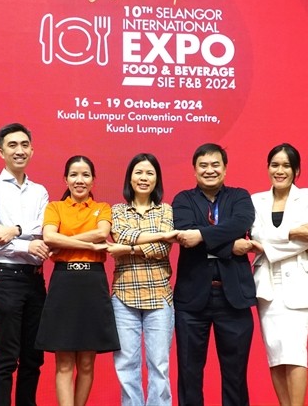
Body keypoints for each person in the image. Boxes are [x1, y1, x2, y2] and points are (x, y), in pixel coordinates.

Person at [173, 143, 256, 406]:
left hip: (234, 298)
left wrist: (201, 236)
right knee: (189, 373)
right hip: (191, 300)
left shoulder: (240, 196)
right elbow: (186, 234)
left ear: (225, 167)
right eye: (203, 165)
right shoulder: (183, 199)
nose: (210, 170)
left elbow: (241, 223)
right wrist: (231, 245)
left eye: (215, 164)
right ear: (195, 170)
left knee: (235, 375)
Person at [35, 155, 120, 406]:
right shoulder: (55, 207)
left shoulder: (103, 208)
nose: (79, 180)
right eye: (74, 175)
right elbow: (49, 237)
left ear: (93, 180)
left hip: (93, 284)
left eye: (85, 175)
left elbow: (102, 233)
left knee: (86, 362)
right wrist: (86, 242)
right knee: (63, 362)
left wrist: (63, 244)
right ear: (65, 179)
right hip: (64, 284)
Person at [0, 123, 50, 406]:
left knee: (34, 357)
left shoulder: (40, 191)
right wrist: (25, 243)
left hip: (34, 280)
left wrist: (15, 229)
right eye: (12, 146)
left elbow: (43, 229)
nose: (19, 151)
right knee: (7, 356)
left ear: (32, 149)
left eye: (24, 145)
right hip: (5, 278)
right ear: (1, 152)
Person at [249, 143, 308, 406]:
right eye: (275, 165)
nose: (279, 170)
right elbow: (256, 236)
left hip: (299, 281)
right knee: (275, 353)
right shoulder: (255, 200)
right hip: (267, 284)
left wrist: (284, 238)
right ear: (268, 167)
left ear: (296, 170)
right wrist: (290, 232)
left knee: (294, 352)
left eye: (286, 165)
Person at [107, 153, 179, 406]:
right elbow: (121, 234)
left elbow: (164, 248)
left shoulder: (166, 209)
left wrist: (129, 249)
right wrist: (158, 236)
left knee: (159, 365)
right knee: (126, 365)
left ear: (157, 178)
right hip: (124, 296)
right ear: (130, 178)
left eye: (149, 173)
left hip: (159, 295)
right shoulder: (116, 210)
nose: (144, 178)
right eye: (139, 172)